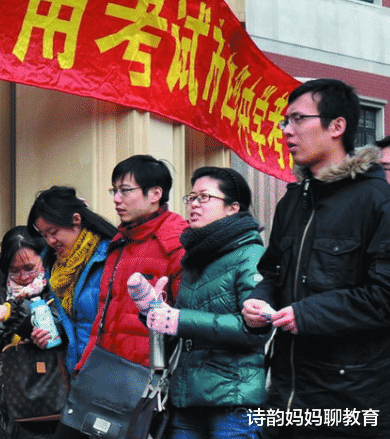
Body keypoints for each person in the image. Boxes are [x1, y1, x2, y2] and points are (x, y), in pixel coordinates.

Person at [242, 78, 390, 438]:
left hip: (349, 401)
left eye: (297, 119)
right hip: (287, 394)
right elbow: (272, 274)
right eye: (285, 122)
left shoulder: (376, 200)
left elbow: (384, 296)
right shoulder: (292, 201)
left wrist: (308, 314)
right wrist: (258, 302)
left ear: (337, 126)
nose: (286, 131)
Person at [52, 155, 186, 439]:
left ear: (155, 194)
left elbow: (185, 317)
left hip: (143, 381)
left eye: (125, 190)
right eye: (115, 191)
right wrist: (84, 364)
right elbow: (104, 312)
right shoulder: (121, 240)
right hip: (101, 370)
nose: (117, 199)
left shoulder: (176, 242)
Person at [132, 166, 267, 439]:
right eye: (191, 197)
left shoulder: (250, 254)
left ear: (232, 207)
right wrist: (155, 313)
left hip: (233, 400)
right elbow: (184, 333)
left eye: (204, 197)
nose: (193, 204)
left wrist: (179, 319)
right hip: (185, 398)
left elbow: (255, 330)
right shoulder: (195, 256)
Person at [0, 226, 65, 439]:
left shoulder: (59, 284)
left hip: (49, 398)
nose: (22, 277)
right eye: (14, 270)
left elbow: (56, 324)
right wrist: (19, 328)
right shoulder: (2, 290)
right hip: (6, 401)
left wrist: (9, 314)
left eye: (29, 268)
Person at [25, 186, 116, 375]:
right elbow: (76, 320)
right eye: (44, 235)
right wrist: (52, 332)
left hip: (111, 372)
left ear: (76, 219)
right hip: (78, 372)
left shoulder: (109, 256)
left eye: (54, 231)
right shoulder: (55, 267)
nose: (50, 241)